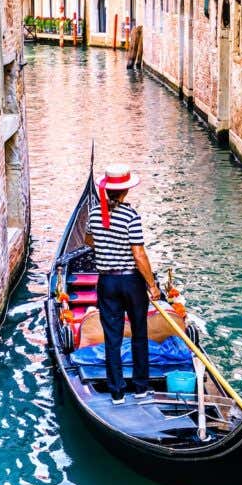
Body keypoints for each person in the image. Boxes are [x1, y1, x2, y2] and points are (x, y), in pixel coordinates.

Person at [86, 164, 161, 404]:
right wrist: (152, 285)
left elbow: (89, 240)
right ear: (126, 191)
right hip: (131, 282)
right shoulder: (131, 216)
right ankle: (140, 388)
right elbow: (138, 254)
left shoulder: (94, 214)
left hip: (107, 282)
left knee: (113, 338)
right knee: (139, 333)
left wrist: (107, 246)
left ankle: (117, 392)